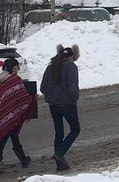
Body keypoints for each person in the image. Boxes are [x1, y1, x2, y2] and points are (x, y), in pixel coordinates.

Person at [0, 58, 33, 174]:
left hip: (1, 116)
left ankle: (24, 160)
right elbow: (23, 98)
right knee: (2, 140)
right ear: (13, 67)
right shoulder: (15, 79)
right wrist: (32, 98)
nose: (18, 69)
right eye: (17, 66)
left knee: (13, 137)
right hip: (11, 117)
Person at [40, 44, 82, 172]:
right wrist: (74, 98)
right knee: (75, 129)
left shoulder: (50, 67)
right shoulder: (71, 66)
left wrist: (50, 97)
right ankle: (60, 153)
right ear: (72, 56)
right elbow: (72, 87)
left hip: (53, 105)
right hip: (67, 103)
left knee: (59, 132)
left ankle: (60, 165)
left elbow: (42, 87)